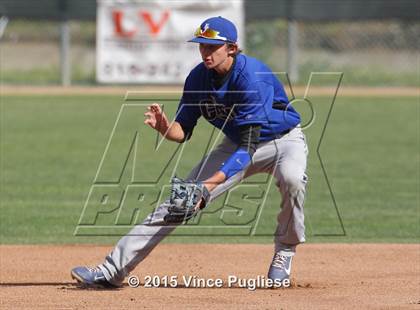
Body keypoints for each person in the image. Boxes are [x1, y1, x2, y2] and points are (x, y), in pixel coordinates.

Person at [71, 16, 308, 288]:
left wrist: (206, 188)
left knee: (292, 179)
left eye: (211, 47)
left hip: (283, 141)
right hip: (237, 142)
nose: (205, 52)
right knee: (178, 203)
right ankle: (112, 270)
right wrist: (165, 128)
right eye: (201, 46)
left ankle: (285, 250)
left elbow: (248, 150)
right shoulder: (198, 77)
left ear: (231, 48)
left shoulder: (251, 78)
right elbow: (182, 131)